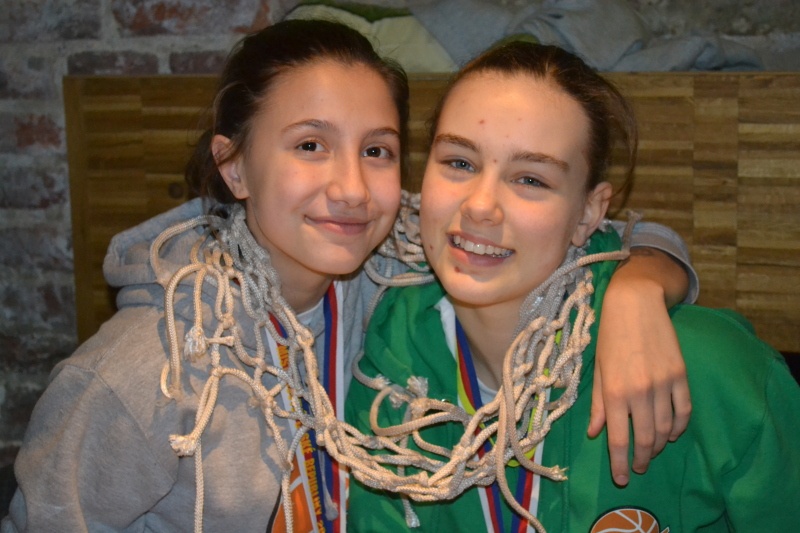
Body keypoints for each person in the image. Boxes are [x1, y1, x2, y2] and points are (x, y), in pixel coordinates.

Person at [2, 20, 694, 533]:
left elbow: (600, 230)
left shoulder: (394, 261)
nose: (352, 189)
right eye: (310, 145)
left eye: (377, 150)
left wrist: (639, 288)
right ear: (234, 166)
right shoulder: (141, 373)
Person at [345, 41, 800, 532]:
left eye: (530, 180)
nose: (479, 206)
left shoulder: (716, 371)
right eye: (459, 162)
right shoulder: (386, 375)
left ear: (588, 213)